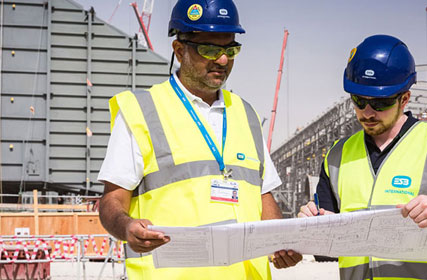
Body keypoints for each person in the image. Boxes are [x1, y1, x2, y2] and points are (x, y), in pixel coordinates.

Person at [97, 0, 301, 278]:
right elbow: (111, 201)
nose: (223, 60)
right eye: (209, 49)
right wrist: (127, 227)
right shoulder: (141, 111)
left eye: (231, 49)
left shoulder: (246, 114)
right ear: (179, 51)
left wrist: (281, 243)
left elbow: (263, 195)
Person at [298, 34, 427, 280]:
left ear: (404, 99)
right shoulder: (337, 156)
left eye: (380, 103)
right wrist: (309, 227)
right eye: (359, 101)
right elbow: (326, 250)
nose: (368, 112)